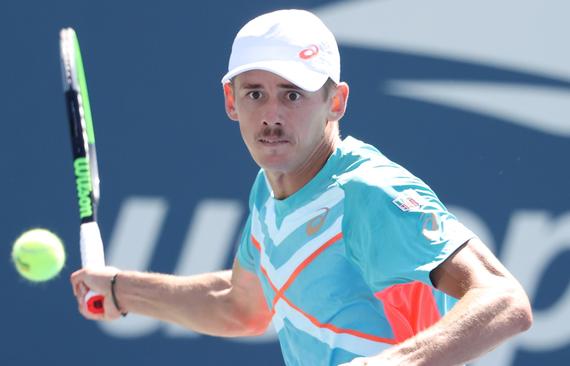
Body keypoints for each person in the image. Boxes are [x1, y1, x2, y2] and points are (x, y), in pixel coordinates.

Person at [71, 9, 532, 366]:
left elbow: (503, 297)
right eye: (256, 93)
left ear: (337, 101)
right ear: (231, 101)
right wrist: (123, 290)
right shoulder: (269, 191)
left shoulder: (368, 193)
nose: (272, 114)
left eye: (293, 94)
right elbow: (240, 305)